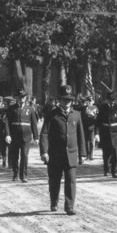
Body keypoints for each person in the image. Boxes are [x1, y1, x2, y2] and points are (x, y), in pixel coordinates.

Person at [40, 85, 87, 215]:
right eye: (64, 100)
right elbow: (44, 134)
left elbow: (81, 135)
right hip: (55, 155)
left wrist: (83, 153)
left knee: (71, 180)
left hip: (71, 154)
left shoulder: (76, 115)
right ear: (59, 100)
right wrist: (44, 152)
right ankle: (54, 202)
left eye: (69, 100)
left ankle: (69, 206)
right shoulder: (52, 115)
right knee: (54, 181)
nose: (67, 103)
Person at [6, 90, 39, 182]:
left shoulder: (30, 109)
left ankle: (23, 174)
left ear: (26, 98)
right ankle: (15, 173)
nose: (22, 99)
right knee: (15, 156)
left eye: (23, 97)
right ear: (16, 98)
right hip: (14, 136)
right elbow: (7, 123)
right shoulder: (11, 108)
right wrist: (8, 135)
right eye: (20, 97)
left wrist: (36, 137)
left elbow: (34, 124)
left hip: (26, 136)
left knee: (24, 155)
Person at [96, 92, 117, 178]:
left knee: (116, 152)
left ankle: (114, 171)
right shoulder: (102, 107)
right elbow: (98, 121)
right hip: (105, 132)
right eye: (110, 100)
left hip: (115, 132)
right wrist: (97, 133)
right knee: (106, 153)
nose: (111, 102)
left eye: (113, 100)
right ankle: (106, 169)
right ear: (107, 100)